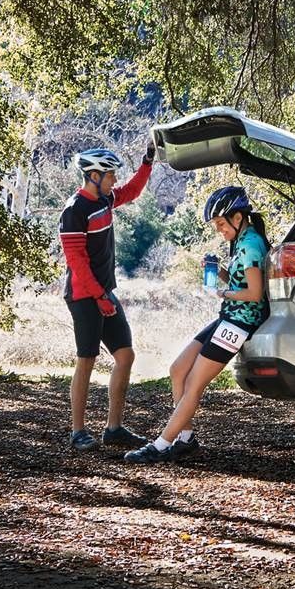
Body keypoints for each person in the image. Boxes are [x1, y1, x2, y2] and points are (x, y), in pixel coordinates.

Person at [124, 184, 268, 464]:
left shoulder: (251, 245)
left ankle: (161, 445)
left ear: (238, 218)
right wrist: (219, 272)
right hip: (229, 315)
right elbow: (241, 281)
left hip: (240, 322)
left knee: (193, 382)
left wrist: (221, 293)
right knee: (177, 369)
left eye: (220, 223)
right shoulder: (242, 240)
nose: (219, 230)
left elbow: (254, 293)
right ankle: (185, 438)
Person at [60, 143, 156, 451]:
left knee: (125, 356)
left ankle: (113, 429)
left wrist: (147, 162)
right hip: (83, 295)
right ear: (93, 176)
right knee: (86, 359)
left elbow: (132, 191)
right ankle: (77, 432)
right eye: (110, 175)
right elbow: (77, 263)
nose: (114, 180)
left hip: (104, 293)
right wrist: (100, 297)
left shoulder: (105, 200)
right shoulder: (74, 211)